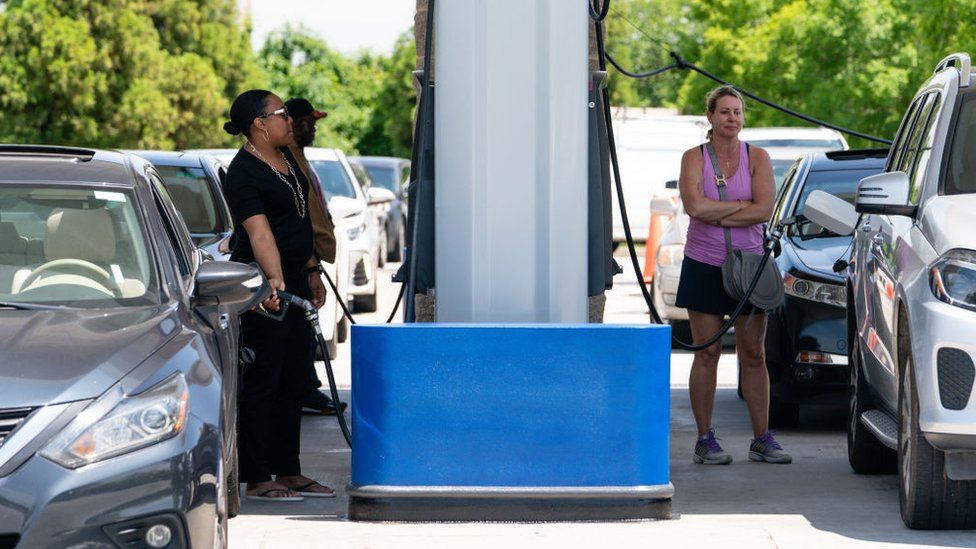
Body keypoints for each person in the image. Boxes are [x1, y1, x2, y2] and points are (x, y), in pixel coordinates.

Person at [223, 89, 335, 500]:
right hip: (264, 285)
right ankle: (258, 474)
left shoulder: (286, 158)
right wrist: (273, 282)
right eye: (283, 114)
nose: (290, 120)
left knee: (293, 377)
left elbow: (297, 221)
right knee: (264, 379)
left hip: (295, 278)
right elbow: (259, 232)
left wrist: (310, 270)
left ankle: (289, 469)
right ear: (259, 124)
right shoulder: (243, 172)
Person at [675, 85, 791, 465]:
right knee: (707, 352)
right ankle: (705, 439)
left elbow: (763, 211)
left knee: (753, 353)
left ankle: (762, 438)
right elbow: (694, 207)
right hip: (704, 263)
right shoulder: (694, 158)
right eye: (724, 112)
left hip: (750, 265)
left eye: (737, 112)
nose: (732, 118)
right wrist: (741, 205)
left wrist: (719, 209)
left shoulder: (757, 156)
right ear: (710, 117)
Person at [284, 97, 348, 417]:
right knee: (301, 329)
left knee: (306, 327)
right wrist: (311, 267)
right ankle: (304, 389)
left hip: (307, 258)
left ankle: (306, 387)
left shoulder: (299, 159)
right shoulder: (287, 162)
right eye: (309, 122)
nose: (314, 128)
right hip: (297, 262)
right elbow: (300, 219)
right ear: (292, 123)